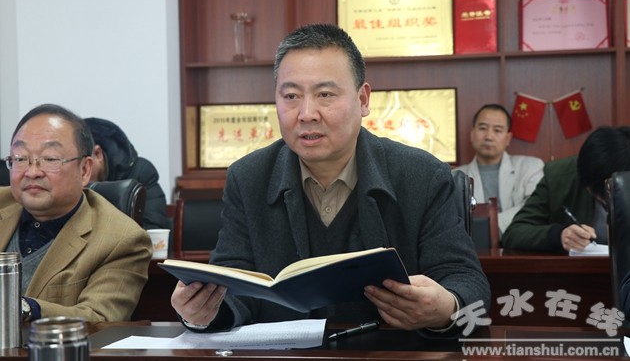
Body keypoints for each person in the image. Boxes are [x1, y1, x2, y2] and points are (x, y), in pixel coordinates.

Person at [171, 23, 490, 337]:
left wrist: (445, 307)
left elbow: (467, 283)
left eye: (325, 94)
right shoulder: (248, 177)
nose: (307, 113)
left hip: (389, 354)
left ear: (363, 100)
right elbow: (231, 285)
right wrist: (202, 312)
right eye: (291, 96)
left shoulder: (422, 175)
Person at [0, 104, 152, 322]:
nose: (32, 172)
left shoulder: (122, 240)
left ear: (85, 170)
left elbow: (100, 319)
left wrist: (22, 308)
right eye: (21, 158)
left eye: (50, 159)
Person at [502, 126, 630, 253]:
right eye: (601, 196)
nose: (606, 201)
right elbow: (514, 233)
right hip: (584, 264)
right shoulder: (560, 177)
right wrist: (559, 235)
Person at [455, 104, 544, 233]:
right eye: (482, 128)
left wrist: (491, 225)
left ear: (508, 138)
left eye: (497, 130)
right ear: (472, 134)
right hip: (473, 243)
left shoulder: (531, 167)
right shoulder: (456, 176)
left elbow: (534, 207)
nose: (489, 136)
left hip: (520, 241)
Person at [84, 117, 169, 231]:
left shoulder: (141, 172)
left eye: (82, 165)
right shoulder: (70, 178)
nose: (80, 173)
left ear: (98, 154)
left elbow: (153, 228)